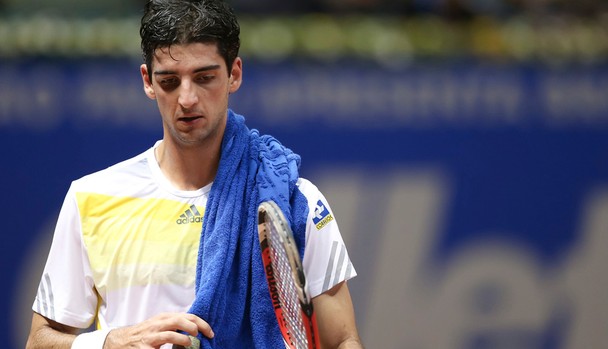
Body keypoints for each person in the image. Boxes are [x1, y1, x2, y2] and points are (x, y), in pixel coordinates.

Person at [25, 0, 363, 348]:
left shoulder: (294, 201)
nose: (186, 98)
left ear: (234, 74)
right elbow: (40, 341)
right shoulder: (91, 198)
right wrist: (108, 343)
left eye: (204, 78)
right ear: (148, 82)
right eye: (170, 81)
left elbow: (343, 340)